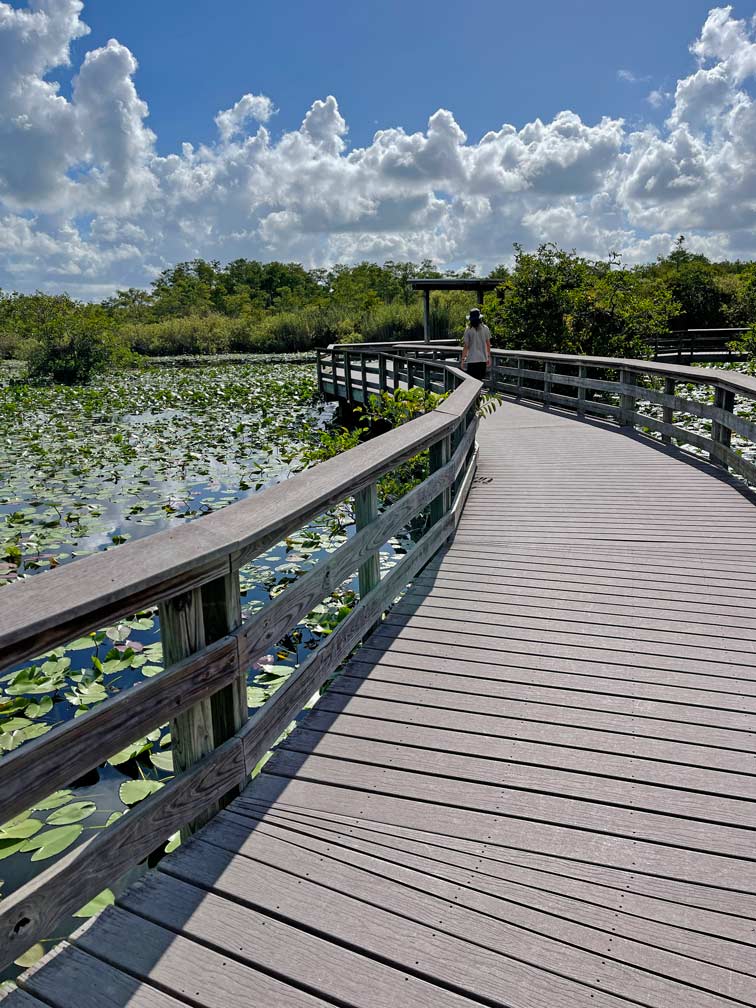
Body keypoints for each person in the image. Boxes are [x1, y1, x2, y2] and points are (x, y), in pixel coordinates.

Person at [460, 308, 491, 380]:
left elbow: (466, 346)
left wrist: (462, 360)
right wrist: (489, 357)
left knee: (472, 382)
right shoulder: (485, 328)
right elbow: (488, 344)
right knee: (480, 381)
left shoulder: (468, 329)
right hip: (482, 359)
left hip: (472, 360)